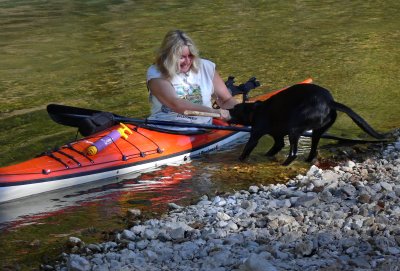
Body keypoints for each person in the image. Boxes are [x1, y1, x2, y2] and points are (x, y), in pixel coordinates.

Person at [146, 30, 238, 130]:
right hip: (165, 128)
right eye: (181, 57)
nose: (187, 61)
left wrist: (242, 114)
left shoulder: (206, 67)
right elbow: (176, 104)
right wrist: (215, 112)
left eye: (190, 56)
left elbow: (226, 100)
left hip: (203, 128)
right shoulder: (156, 73)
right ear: (169, 56)